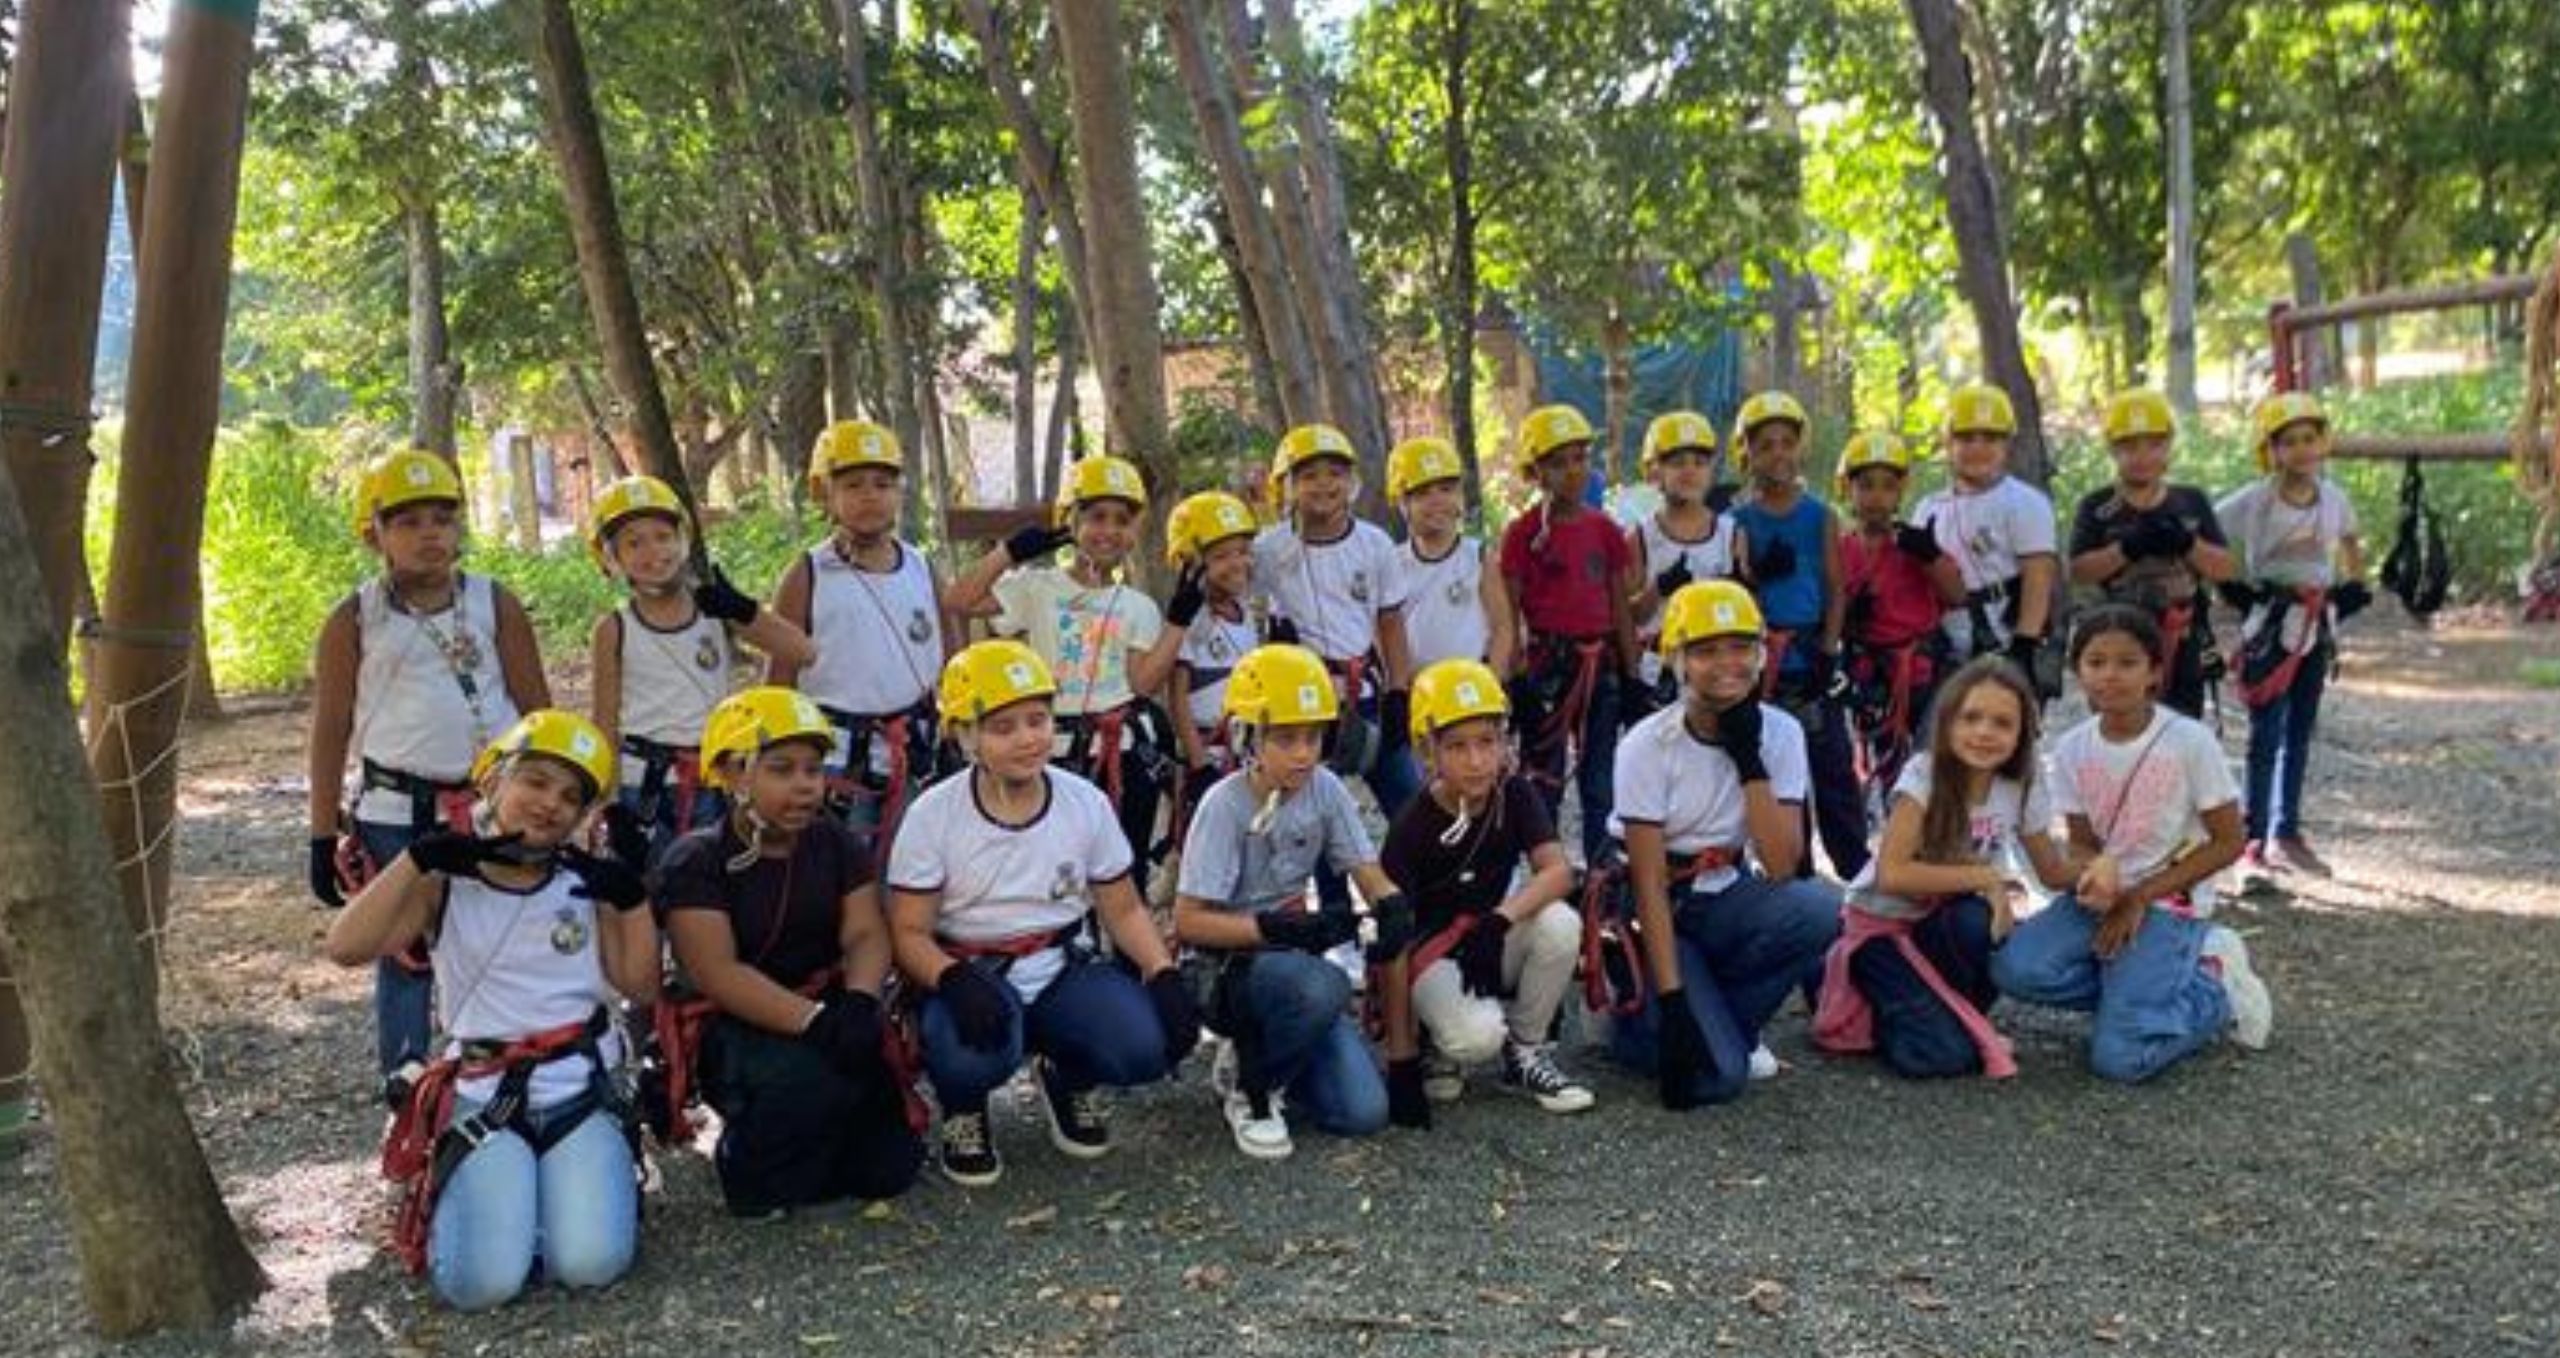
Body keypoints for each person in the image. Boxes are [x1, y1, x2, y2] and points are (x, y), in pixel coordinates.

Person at [324, 711, 653, 1309]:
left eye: (569, 797)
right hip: (485, 1089)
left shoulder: (588, 884)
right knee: (481, 1287)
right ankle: (501, 1200)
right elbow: (346, 947)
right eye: (534, 781)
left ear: (582, 818)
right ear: (492, 780)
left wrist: (631, 899)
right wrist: (417, 859)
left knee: (591, 1265)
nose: (549, 803)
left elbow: (643, 987)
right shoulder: (446, 880)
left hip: (578, 1083)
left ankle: (537, 1202)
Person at [887, 641, 1201, 1187]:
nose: (1028, 738)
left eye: (1037, 720)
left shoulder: (1083, 802)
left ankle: (1067, 1071)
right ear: (966, 736)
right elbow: (909, 930)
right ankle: (964, 1105)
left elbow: (1122, 907)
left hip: (1060, 962)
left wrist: (1162, 973)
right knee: (969, 1055)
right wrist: (950, 977)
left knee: (1143, 1047)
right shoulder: (932, 816)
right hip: (972, 970)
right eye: (1003, 727)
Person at [306, 448, 551, 1092]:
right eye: (408, 521)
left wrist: (568, 800)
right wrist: (320, 832)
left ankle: (509, 1061)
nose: (429, 534)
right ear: (375, 533)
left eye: (443, 518)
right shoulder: (354, 619)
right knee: (405, 947)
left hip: (490, 803)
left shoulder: (496, 604)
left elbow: (536, 708)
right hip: (397, 809)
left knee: (501, 928)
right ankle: (407, 1080)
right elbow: (330, 728)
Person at [658, 687, 924, 1216]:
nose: (805, 785)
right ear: (734, 774)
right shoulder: (697, 860)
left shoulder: (834, 843)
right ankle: (747, 1158)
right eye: (782, 769)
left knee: (888, 1169)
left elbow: (866, 933)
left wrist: (862, 1001)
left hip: (826, 1003)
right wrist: (817, 1023)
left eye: (812, 769)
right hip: (736, 1023)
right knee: (802, 1096)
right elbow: (718, 972)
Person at [1991, 605, 2273, 1083]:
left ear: (2155, 673)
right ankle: (2138, 992)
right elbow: (2081, 844)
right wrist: (2097, 874)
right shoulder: (2073, 749)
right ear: (2077, 672)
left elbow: (2229, 841)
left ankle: (2215, 990)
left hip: (2170, 903)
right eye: (2095, 662)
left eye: (2127, 663)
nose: (2110, 676)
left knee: (2119, 1061)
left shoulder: (2189, 741)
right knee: (2015, 969)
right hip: (2107, 898)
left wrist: (2142, 895)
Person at [1174, 644, 1422, 1160]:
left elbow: (1366, 869)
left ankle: (1277, 1055)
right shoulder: (1223, 806)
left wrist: (1392, 904)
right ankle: (1251, 1087)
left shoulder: (1325, 788)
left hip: (1290, 957)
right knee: (1324, 984)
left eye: (1313, 737)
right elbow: (1190, 921)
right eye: (1285, 739)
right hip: (1229, 965)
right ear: (1248, 737)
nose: (1303, 753)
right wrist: (1275, 930)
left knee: (1362, 1113)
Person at [1605, 581, 1842, 1108]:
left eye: (1740, 648)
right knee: (1721, 1080)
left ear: (1761, 655)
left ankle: (1717, 1025)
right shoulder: (1646, 744)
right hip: (1660, 901)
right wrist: (1671, 1002)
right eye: (1706, 651)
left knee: (1819, 910)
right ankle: (1651, 1022)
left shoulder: (1780, 733)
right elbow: (1646, 883)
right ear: (1678, 660)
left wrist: (1748, 755)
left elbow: (1782, 864)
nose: (1726, 664)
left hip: (1725, 889)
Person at [1812, 658, 2074, 1078]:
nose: (1984, 732)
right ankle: (1842, 984)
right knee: (1940, 1058)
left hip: (1940, 924)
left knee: (1979, 921)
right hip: (1881, 930)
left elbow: (2052, 871)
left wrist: (2118, 868)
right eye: (1971, 717)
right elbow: (1892, 874)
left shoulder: (2020, 783)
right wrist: (1987, 877)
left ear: (2023, 733)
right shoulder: (1924, 775)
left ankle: (1935, 1013)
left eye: (2002, 723)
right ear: (1947, 721)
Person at [948, 455, 1193, 896]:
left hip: (1122, 750)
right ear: (1071, 522)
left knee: (1125, 863)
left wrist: (1177, 622)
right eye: (1096, 517)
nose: (1109, 531)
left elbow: (1142, 684)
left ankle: (1123, 957)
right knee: (1053, 861)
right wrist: (1008, 553)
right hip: (1054, 749)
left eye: (1122, 520)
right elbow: (961, 600)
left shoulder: (1138, 607)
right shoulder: (1037, 588)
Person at [1380, 659, 1590, 1113]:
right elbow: (1390, 940)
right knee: (1477, 1039)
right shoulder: (1411, 825)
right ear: (1427, 750)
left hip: (1488, 934)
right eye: (1457, 747)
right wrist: (1401, 1055)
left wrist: (1501, 919)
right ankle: (1436, 1041)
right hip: (1431, 952)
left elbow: (1558, 871)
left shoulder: (1512, 793)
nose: (1476, 761)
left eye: (1487, 742)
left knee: (1559, 923)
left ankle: (1527, 1049)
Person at [585, 475, 815, 863]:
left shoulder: (715, 611)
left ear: (683, 540)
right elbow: (604, 722)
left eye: (662, 535)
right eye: (633, 542)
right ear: (612, 558)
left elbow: (802, 651)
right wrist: (605, 803)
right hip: (644, 784)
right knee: (648, 887)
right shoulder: (614, 629)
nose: (652, 551)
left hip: (715, 780)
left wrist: (743, 609)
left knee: (713, 885)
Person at [768, 420, 950, 853]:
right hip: (837, 758)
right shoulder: (807, 574)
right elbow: (780, 677)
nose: (870, 495)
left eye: (883, 484)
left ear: (900, 492)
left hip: (917, 750)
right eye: (852, 485)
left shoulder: (922, 568)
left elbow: (953, 658)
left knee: (917, 867)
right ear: (825, 495)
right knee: (839, 872)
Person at [2215, 392, 2373, 879]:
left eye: (2310, 439)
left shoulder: (2333, 499)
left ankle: (2288, 829)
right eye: (2289, 442)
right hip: (2271, 625)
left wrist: (2353, 586)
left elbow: (2349, 543)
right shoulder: (2255, 500)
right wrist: (2230, 585)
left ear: (2322, 443)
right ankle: (2252, 834)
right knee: (2266, 730)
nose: (2302, 450)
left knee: (2300, 728)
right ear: (2272, 450)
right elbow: (2207, 532)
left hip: (2315, 622)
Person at [1253, 423, 1423, 826]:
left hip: (1367, 688)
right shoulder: (1270, 550)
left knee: (1407, 799)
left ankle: (1418, 884)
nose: (1324, 485)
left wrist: (1400, 690)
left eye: (1335, 473)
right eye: (1309, 476)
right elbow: (1248, 608)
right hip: (1305, 696)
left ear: (1352, 481)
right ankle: (1332, 891)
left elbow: (1391, 622)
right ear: (1288, 487)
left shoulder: (1374, 543)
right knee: (1317, 809)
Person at [1730, 391, 1867, 878]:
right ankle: (1797, 871)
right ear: (1747, 454)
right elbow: (1737, 588)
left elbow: (1835, 587)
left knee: (1831, 765)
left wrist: (1829, 650)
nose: (1778, 454)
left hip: (1809, 653)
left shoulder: (1820, 516)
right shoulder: (1739, 521)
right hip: (1765, 658)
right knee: (1781, 771)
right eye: (1765, 445)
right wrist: (1756, 575)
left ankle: (1856, 866)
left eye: (1787, 443)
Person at [1498, 404, 1642, 866]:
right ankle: (1548, 866)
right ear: (1535, 473)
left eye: (1579, 459)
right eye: (1558, 463)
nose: (1572, 471)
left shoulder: (1605, 530)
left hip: (1600, 663)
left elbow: (1619, 602)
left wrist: (1633, 671)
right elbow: (1510, 608)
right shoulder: (1523, 535)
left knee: (1600, 774)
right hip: (1548, 666)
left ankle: (1601, 867)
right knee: (1545, 772)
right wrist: (1513, 675)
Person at [2067, 389, 2238, 718]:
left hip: (2184, 636)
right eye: (2129, 446)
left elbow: (2225, 569)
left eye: (2153, 444)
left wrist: (2188, 544)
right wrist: (2127, 548)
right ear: (2112, 449)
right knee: (2120, 726)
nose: (2142, 456)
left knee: (2182, 728)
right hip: (2120, 639)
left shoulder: (2190, 502)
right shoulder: (2098, 507)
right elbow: (2079, 572)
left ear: (2169, 445)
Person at [1834, 431, 1965, 798]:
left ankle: (1938, 834)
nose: (1877, 496)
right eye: (1866, 485)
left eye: (1887, 486)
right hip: (1873, 676)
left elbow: (1956, 594)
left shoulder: (1914, 543)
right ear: (1848, 489)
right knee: (1889, 765)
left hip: (1922, 670)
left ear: (1900, 492)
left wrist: (1930, 558)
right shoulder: (1842, 549)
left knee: (1933, 758)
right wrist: (1848, 615)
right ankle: (1899, 832)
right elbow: (1831, 614)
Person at [1914, 384, 2059, 695]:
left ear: (2008, 444)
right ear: (1948, 443)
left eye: (1990, 438)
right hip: (1945, 645)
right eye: (1966, 438)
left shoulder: (2024, 502)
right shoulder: (1928, 508)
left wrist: (2025, 643)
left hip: (2004, 638)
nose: (1977, 448)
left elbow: (2038, 576)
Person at [1625, 410, 1744, 709]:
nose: (1689, 471)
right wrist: (1659, 588)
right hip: (1662, 666)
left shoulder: (1729, 534)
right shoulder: (1641, 537)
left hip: (1717, 666)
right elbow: (1632, 615)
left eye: (1699, 463)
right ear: (1655, 472)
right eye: (1677, 463)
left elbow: (1748, 606)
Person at [1165, 490, 1264, 841]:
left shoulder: (1249, 613)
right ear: (1190, 564)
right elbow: (1178, 697)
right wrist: (1197, 762)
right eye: (1221, 556)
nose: (1237, 563)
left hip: (1247, 750)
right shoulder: (1190, 622)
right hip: (1208, 748)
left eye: (1242, 552)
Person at [1388, 434, 1515, 677]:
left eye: (1446, 490)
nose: (1437, 501)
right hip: (1421, 689)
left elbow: (1502, 627)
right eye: (1422, 493)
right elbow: (1387, 632)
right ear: (1402, 503)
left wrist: (1494, 681)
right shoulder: (1393, 563)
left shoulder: (1477, 556)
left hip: (1475, 686)